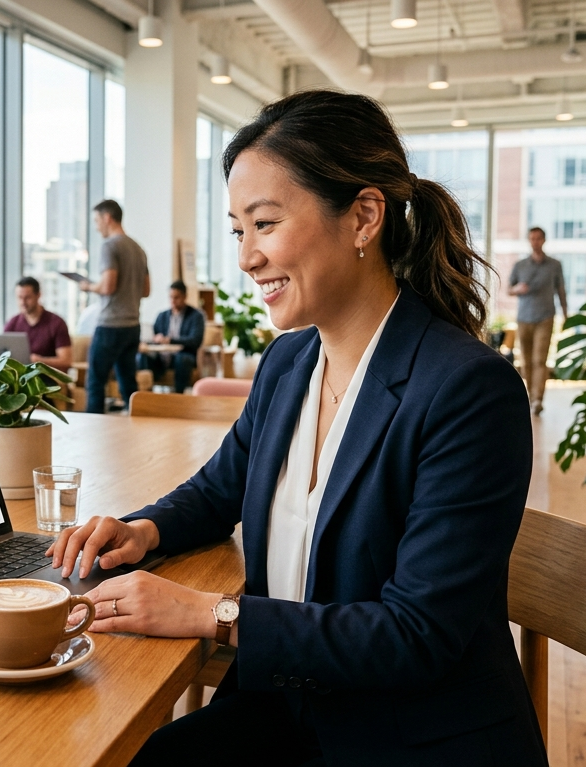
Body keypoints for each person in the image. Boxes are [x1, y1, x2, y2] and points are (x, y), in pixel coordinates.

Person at [48, 90, 544, 766]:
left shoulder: (468, 390)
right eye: (238, 230)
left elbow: (416, 633)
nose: (247, 256)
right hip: (294, 702)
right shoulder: (289, 360)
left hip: (406, 733)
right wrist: (143, 530)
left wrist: (211, 613)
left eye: (266, 223)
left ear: (364, 216)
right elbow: (220, 487)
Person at [81, 199, 150, 413]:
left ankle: (93, 429)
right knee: (128, 382)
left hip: (110, 325)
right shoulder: (138, 248)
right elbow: (146, 290)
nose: (96, 226)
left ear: (107, 217)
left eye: (96, 220)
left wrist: (89, 286)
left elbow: (108, 286)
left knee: (95, 382)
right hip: (132, 326)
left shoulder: (110, 246)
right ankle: (136, 425)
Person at [508, 227, 568, 416]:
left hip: (546, 317)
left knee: (539, 360)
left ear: (544, 240)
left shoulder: (555, 265)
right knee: (525, 360)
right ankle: (527, 395)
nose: (535, 241)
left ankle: (537, 400)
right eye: (532, 238)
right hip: (524, 317)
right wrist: (517, 289)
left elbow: (561, 289)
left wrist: (566, 314)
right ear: (529, 241)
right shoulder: (520, 265)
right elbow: (509, 290)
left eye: (538, 238)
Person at [137, 280, 206, 393]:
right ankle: (146, 393)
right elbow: (153, 336)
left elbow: (195, 340)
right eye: (171, 297)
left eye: (176, 297)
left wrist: (170, 340)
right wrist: (155, 340)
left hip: (182, 355)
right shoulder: (162, 316)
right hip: (161, 356)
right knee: (142, 357)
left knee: (182, 359)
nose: (173, 301)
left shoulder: (196, 316)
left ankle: (178, 394)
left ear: (184, 297)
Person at [4, 276, 72, 371]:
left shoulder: (56, 323)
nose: (23, 302)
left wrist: (40, 361)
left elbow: (66, 361)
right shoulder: (13, 323)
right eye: (19, 298)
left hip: (46, 377)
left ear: (38, 295)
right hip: (18, 376)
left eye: (27, 298)